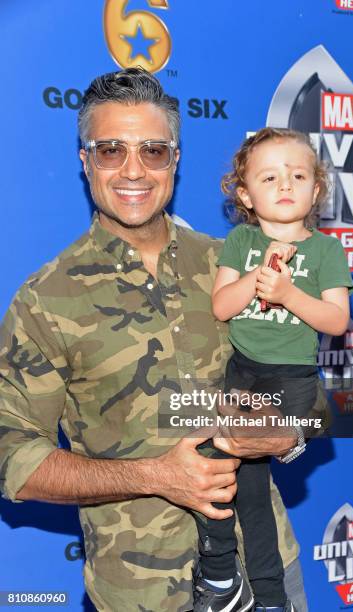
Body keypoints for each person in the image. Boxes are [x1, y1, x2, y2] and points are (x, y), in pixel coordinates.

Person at [0, 70, 308, 611]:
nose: (133, 170)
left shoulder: (233, 264)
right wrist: (154, 476)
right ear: (85, 160)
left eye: (154, 150)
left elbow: (295, 388)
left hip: (267, 570)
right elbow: (11, 457)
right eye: (111, 150)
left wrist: (286, 434)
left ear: (176, 158)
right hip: (140, 595)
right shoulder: (46, 299)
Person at [191, 128, 353, 612]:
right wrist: (255, 276)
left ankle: (252, 585)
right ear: (245, 194)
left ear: (316, 189)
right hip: (242, 374)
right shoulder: (241, 241)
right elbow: (223, 307)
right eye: (269, 176)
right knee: (238, 482)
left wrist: (287, 294)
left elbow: (337, 320)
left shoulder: (326, 251)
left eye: (298, 175)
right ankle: (241, 582)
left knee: (231, 458)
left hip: (289, 379)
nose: (285, 184)